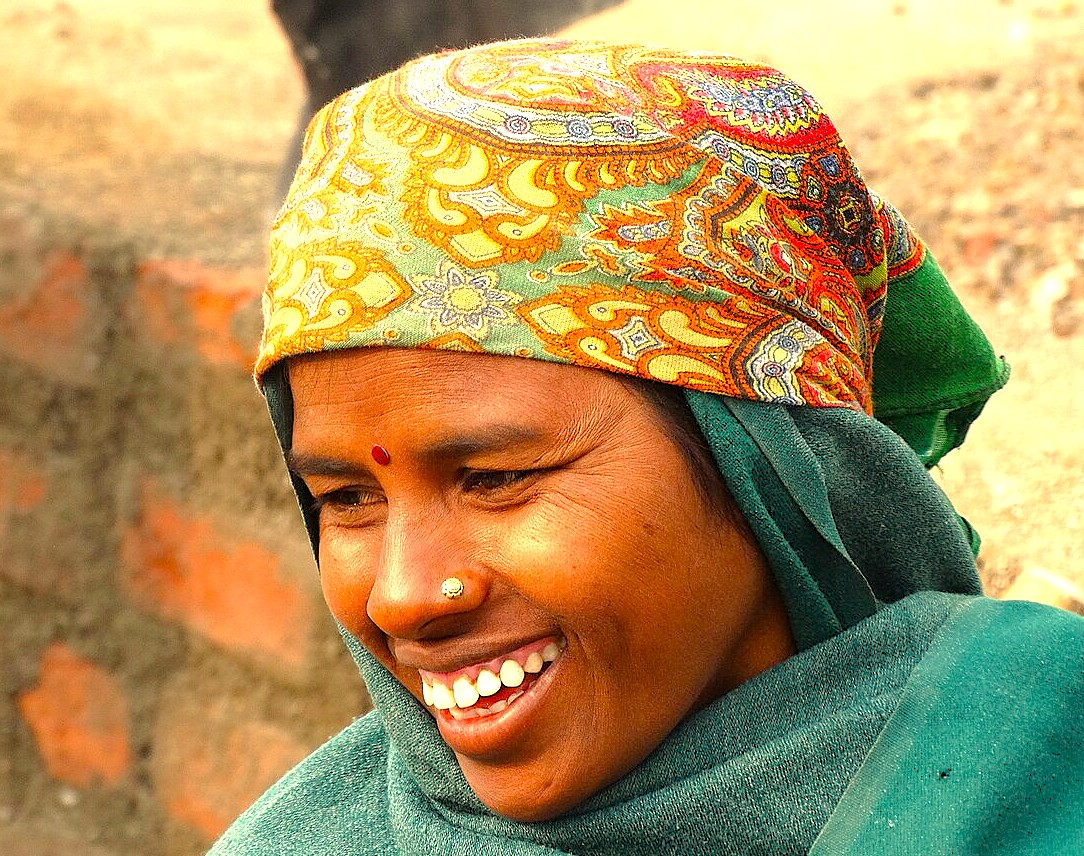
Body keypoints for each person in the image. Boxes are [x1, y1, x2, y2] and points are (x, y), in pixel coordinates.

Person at [211, 39, 1083, 854]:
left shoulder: (1030, 765)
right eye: (347, 498)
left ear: (765, 458)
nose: (403, 598)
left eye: (497, 477)